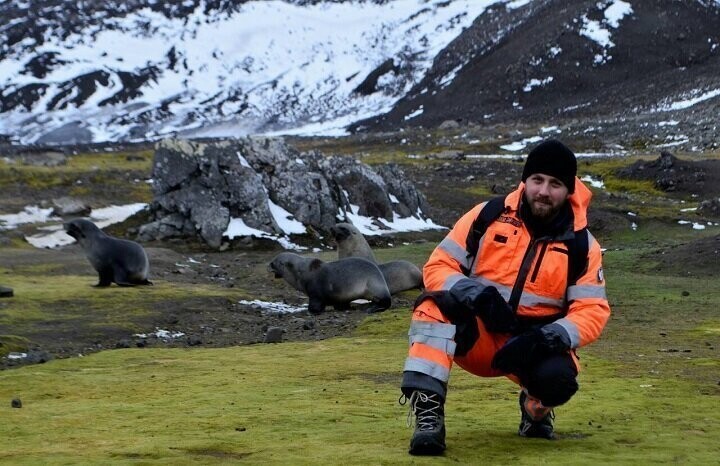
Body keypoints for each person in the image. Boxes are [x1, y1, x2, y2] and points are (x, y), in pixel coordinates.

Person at [399, 139, 610, 455]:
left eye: (555, 184)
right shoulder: (487, 215)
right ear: (525, 181)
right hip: (478, 336)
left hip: (530, 347)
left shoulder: (582, 246)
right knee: (432, 308)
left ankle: (535, 410)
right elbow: (439, 265)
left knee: (559, 380)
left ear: (569, 191)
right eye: (537, 180)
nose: (543, 191)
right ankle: (428, 416)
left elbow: (592, 310)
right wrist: (478, 296)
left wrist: (545, 338)